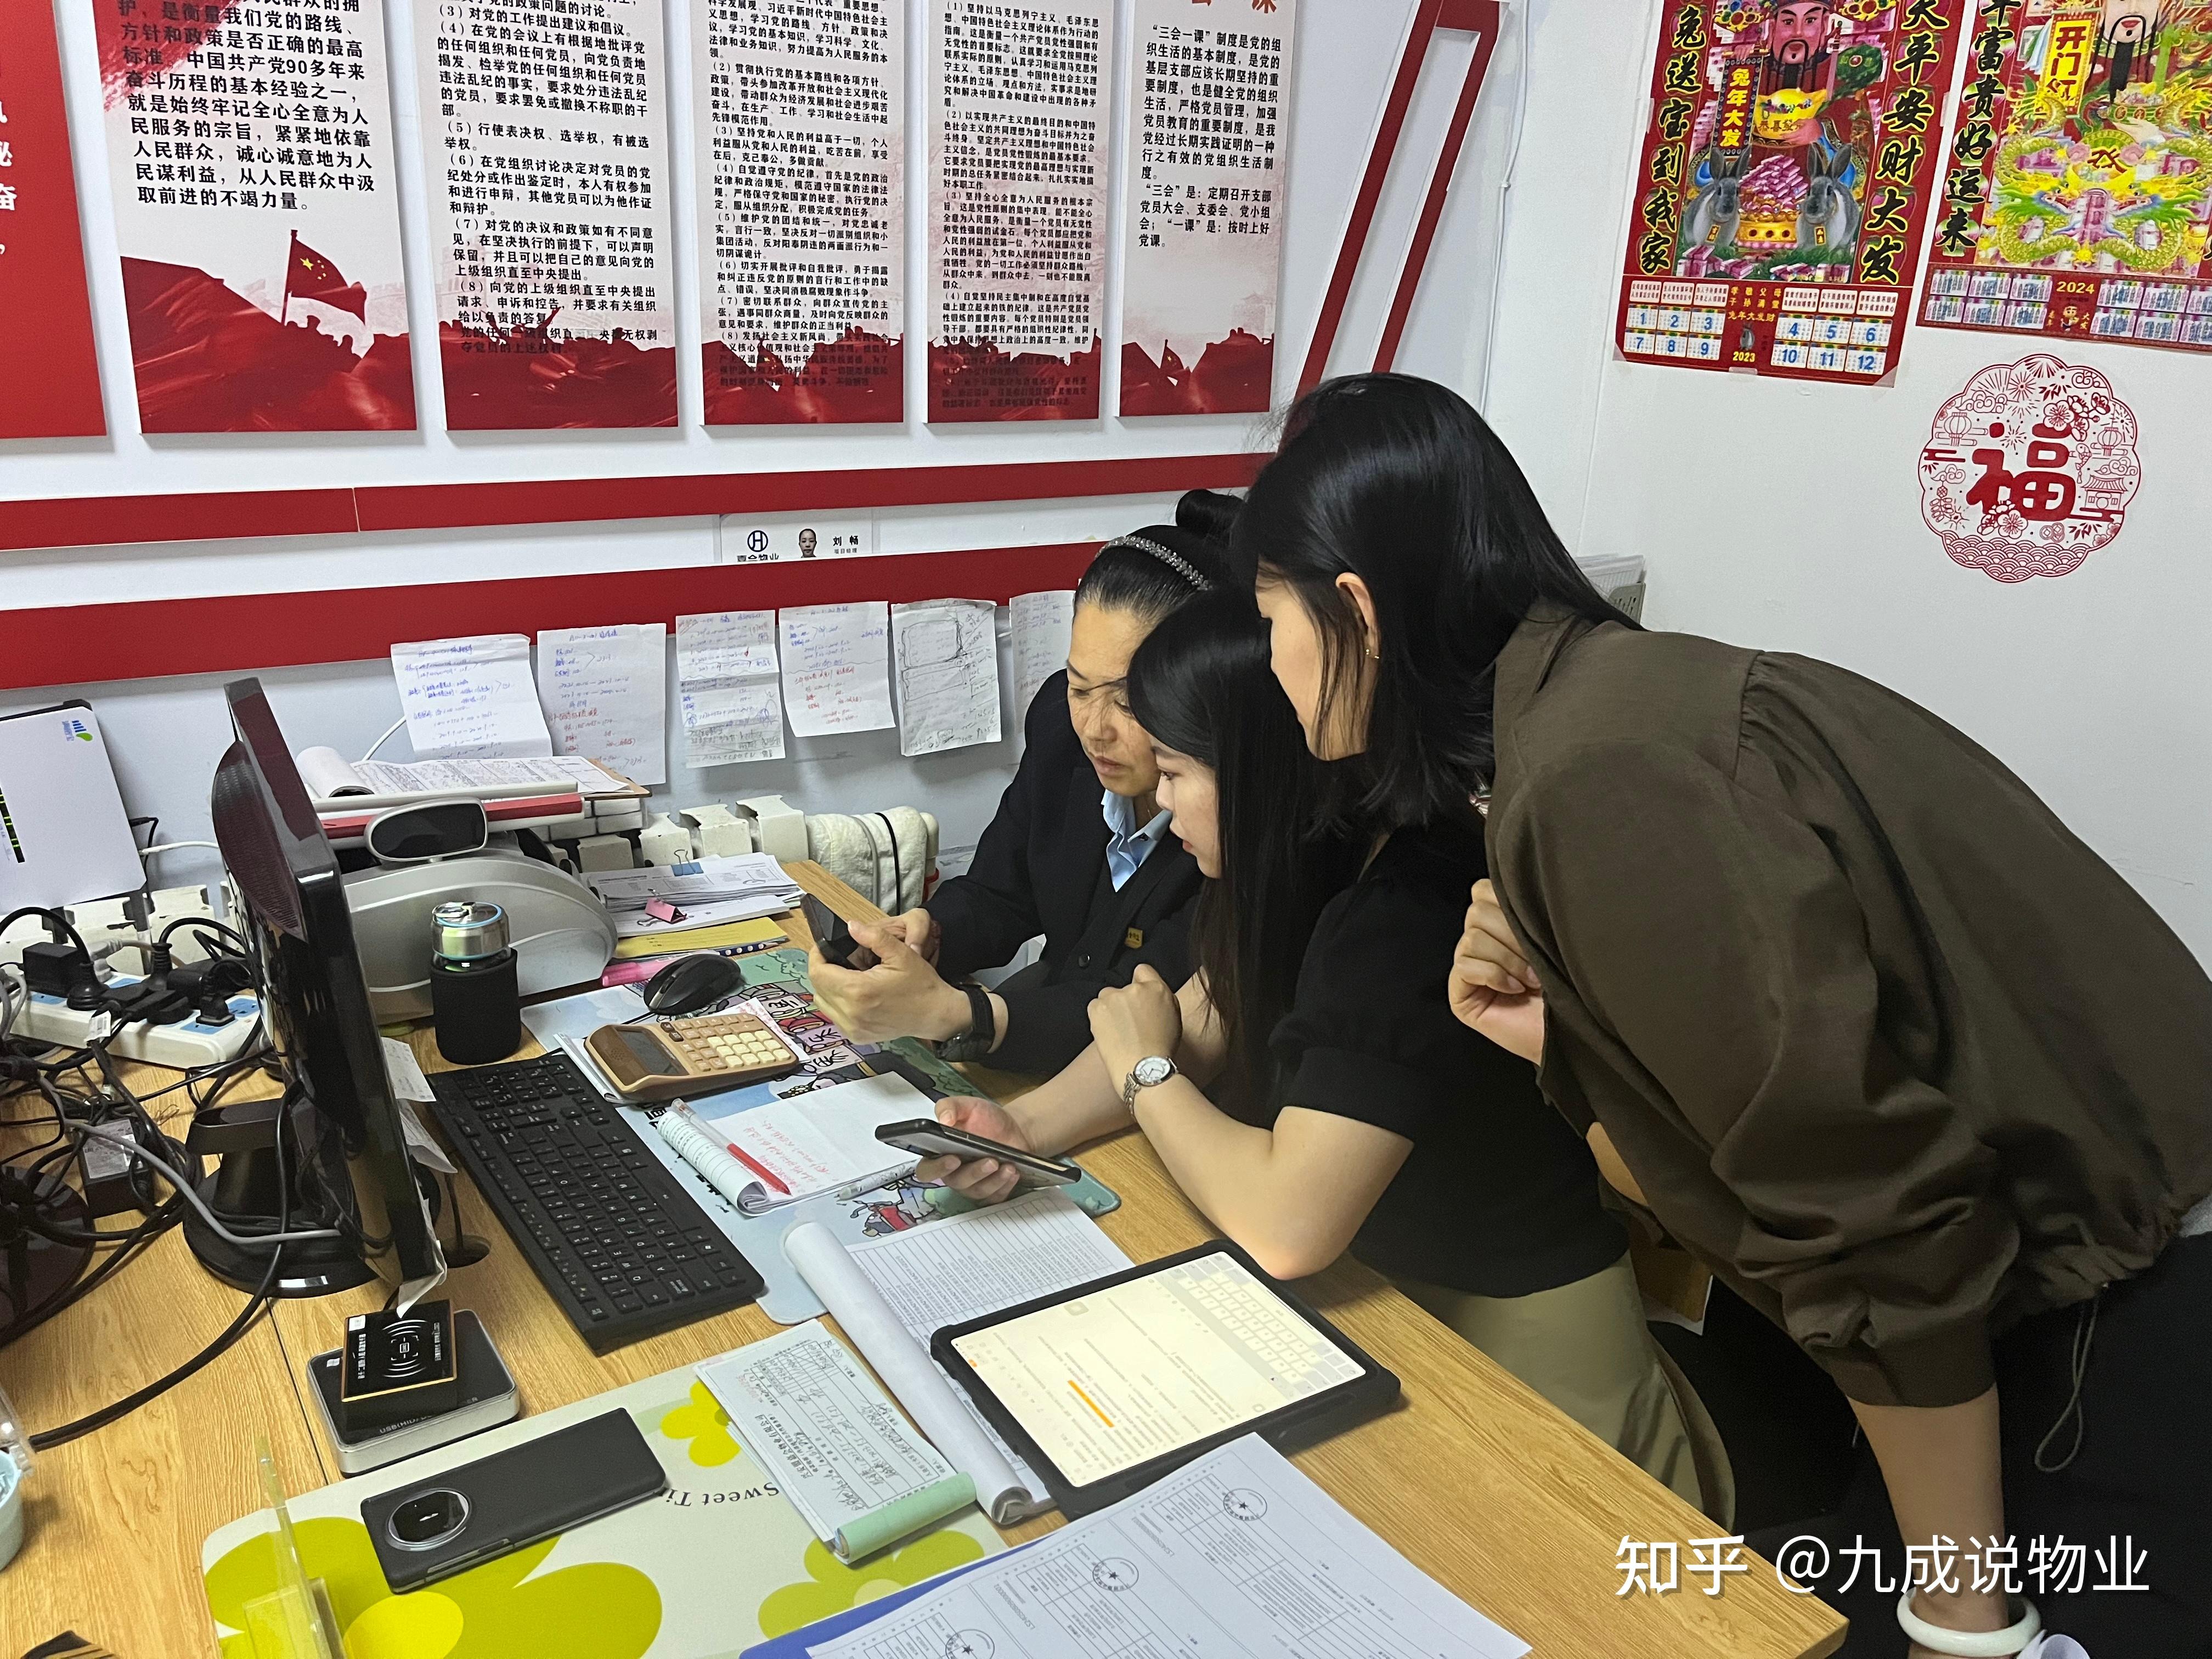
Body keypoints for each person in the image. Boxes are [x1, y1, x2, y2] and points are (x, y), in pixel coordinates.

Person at [1240, 371, 2212, 1658]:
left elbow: (1871, 1223)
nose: (1269, 662)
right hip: (2028, 1300)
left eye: (1270, 616)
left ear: (1354, 609)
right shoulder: (1603, 714)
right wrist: (1571, 1037)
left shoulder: (1603, 775)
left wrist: (1961, 1615)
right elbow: (1748, 1140)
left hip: (2125, 1305)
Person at [918, 589, 1730, 1517]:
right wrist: (1020, 1128)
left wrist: (1148, 1074)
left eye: (1176, 772)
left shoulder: (1402, 911)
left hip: (1520, 1353)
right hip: (1383, 1302)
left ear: (1256, 770)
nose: (1163, 805)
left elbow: (1284, 1224)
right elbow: (1203, 1020)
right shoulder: (1289, 867)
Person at [806, 494, 1232, 1075]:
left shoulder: (1225, 820)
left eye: (1129, 702)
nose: (1095, 729)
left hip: (1149, 1076)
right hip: (1046, 1039)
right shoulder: (1061, 729)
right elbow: (1001, 893)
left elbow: (1150, 1011)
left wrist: (960, 1014)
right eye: (1080, 686)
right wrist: (929, 936)